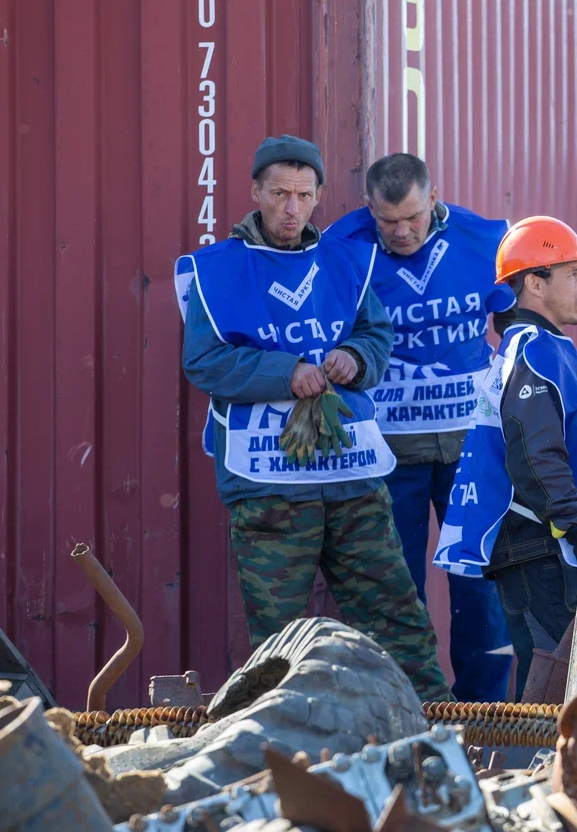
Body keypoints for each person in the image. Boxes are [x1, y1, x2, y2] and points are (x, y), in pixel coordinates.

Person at [176, 134, 451, 702]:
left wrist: (355, 357)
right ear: (256, 191)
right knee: (278, 642)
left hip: (352, 476)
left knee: (397, 616)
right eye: (279, 194)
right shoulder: (216, 271)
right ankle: (275, 742)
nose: (291, 208)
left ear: (320, 196)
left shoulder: (346, 262)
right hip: (267, 486)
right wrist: (285, 371)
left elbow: (376, 335)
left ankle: (440, 728)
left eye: (303, 195)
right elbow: (203, 363)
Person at [326, 154, 514, 702]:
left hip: (469, 450)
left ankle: (486, 717)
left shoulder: (486, 240)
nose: (403, 231)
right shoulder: (344, 248)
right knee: (392, 590)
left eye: (413, 216)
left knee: (479, 587)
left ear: (434, 200)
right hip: (387, 455)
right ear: (370, 211)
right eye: (388, 221)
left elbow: (515, 322)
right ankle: (406, 710)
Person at [434, 216, 577, 699]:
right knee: (550, 682)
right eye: (573, 274)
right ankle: (527, 772)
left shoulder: (547, 347)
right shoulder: (533, 350)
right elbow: (534, 454)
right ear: (534, 283)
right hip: (541, 548)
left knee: (563, 679)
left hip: (547, 544)